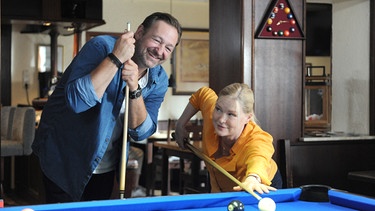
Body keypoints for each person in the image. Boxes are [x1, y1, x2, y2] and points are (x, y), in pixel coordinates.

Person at [32, 12, 182, 203]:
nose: (160, 51)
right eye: (157, 40)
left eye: (168, 48)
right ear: (140, 32)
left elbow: (141, 133)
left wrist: (135, 88)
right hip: (65, 158)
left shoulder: (159, 79)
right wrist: (116, 58)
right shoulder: (101, 47)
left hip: (106, 165)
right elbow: (77, 102)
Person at [175, 83, 282, 194]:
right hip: (220, 188)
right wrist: (180, 125)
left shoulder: (257, 139)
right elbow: (202, 94)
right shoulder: (212, 113)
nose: (221, 119)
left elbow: (258, 157)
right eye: (218, 109)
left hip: (259, 188)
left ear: (248, 118)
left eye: (231, 114)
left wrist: (253, 178)